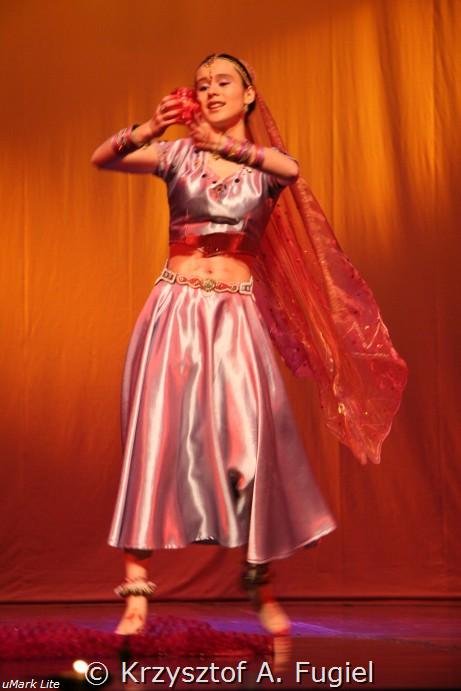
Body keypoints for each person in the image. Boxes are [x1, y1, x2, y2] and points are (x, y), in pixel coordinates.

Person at [91, 53, 407, 637]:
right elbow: (103, 157)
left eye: (223, 82)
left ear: (249, 94)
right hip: (173, 312)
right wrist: (153, 127)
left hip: (235, 317)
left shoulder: (264, 166)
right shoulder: (176, 155)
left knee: (252, 449)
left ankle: (260, 583)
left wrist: (224, 144)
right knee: (155, 439)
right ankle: (136, 592)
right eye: (202, 84)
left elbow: (289, 167)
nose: (210, 90)